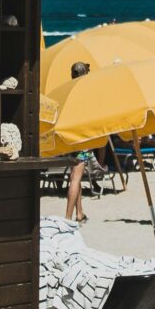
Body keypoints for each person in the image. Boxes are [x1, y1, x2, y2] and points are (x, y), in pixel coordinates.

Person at [64, 61, 92, 222]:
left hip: (69, 138)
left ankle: (79, 212)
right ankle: (68, 217)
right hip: (81, 138)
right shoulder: (85, 92)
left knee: (75, 177)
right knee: (75, 178)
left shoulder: (67, 90)